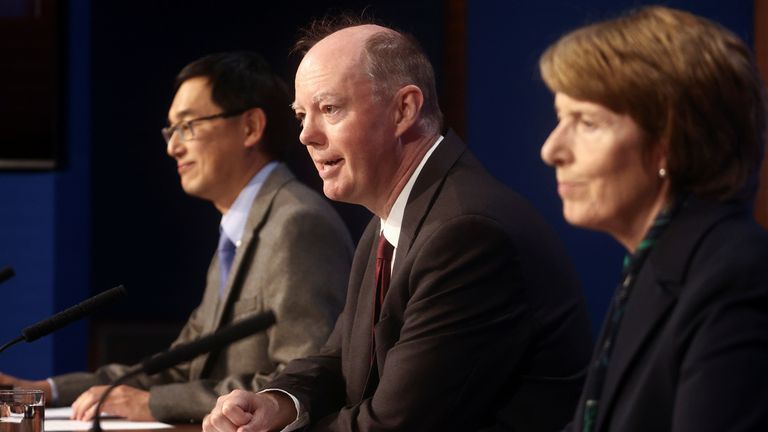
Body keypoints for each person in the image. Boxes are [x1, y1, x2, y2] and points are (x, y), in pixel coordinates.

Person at [202, 18, 592, 432]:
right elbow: (340, 359)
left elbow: (395, 424)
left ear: (404, 109)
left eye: (329, 108)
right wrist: (278, 403)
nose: (306, 135)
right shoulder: (392, 218)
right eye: (302, 115)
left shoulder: (466, 233)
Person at [0, 51, 354, 423]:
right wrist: (45, 389)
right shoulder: (239, 231)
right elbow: (178, 368)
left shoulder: (296, 223)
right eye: (171, 131)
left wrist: (151, 404)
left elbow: (301, 381)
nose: (173, 147)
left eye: (188, 126)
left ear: (250, 127)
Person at [538, 6, 768, 432]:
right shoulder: (652, 266)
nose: (551, 150)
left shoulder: (736, 277)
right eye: (559, 119)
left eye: (587, 122)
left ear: (669, 142)